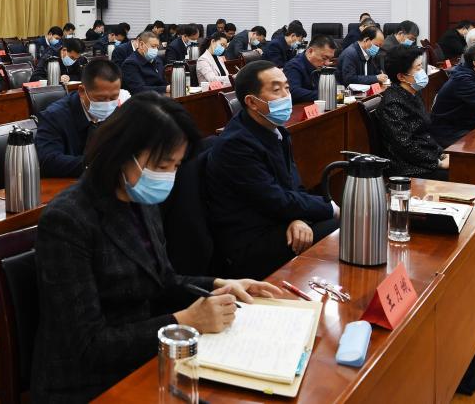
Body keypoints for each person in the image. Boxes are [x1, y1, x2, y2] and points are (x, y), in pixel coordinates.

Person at [32, 91, 281, 402]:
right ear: (123, 154)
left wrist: (220, 284)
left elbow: (162, 279)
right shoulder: (68, 219)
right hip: (89, 384)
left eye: (176, 166)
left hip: (145, 357)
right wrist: (185, 321)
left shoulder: (140, 200)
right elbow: (88, 346)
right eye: (162, 166)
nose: (169, 177)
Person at [206, 62, 339, 279]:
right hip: (250, 241)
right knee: (338, 226)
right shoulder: (236, 144)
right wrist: (329, 207)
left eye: (287, 87)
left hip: (277, 220)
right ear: (252, 102)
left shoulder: (276, 130)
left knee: (337, 229)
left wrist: (299, 218)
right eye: (276, 90)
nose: (287, 96)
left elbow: (293, 185)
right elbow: (272, 199)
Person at [35, 59, 123, 177]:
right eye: (101, 99)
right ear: (82, 91)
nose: (108, 104)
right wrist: (97, 165)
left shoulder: (117, 112)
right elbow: (47, 160)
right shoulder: (54, 116)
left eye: (113, 98)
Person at [376, 46, 448, 179]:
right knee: (461, 173)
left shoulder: (413, 93)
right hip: (408, 168)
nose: (423, 72)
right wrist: (438, 163)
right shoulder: (392, 103)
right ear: (401, 77)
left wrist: (441, 154)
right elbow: (405, 145)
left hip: (425, 158)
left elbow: (424, 134)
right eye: (418, 68)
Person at [283, 35, 336, 103]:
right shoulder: (293, 66)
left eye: (330, 59)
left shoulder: (319, 66)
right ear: (310, 51)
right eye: (324, 58)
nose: (327, 63)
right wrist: (326, 95)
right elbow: (294, 92)